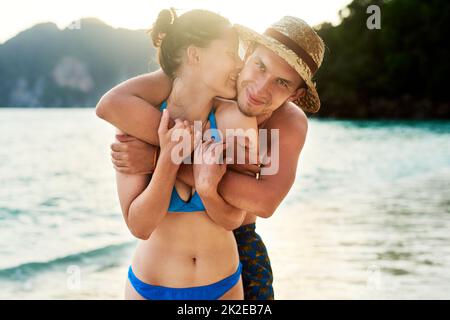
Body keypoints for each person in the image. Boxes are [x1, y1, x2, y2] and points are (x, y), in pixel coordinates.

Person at [96, 16, 325, 300]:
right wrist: (170, 153)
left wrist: (160, 159)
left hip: (236, 246)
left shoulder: (286, 122)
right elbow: (111, 104)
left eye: (281, 82)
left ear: (295, 94)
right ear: (247, 55)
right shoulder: (183, 82)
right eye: (260, 66)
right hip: (157, 271)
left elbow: (263, 202)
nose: (261, 88)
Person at [102, 8, 263, 300]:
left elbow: (232, 219)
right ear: (195, 55)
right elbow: (139, 225)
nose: (240, 64)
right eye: (230, 53)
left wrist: (208, 190)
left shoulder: (233, 120)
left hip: (223, 286)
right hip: (149, 287)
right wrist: (167, 159)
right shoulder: (137, 124)